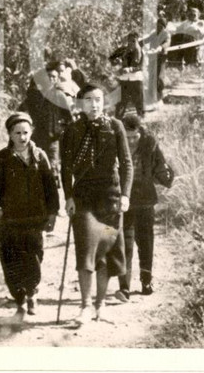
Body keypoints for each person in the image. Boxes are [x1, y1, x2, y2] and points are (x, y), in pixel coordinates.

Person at [60, 84, 134, 325]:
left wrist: (125, 195)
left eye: (99, 99)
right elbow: (65, 168)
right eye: (89, 100)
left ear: (104, 102)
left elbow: (126, 164)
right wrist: (68, 197)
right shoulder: (72, 130)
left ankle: (100, 305)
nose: (94, 104)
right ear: (81, 103)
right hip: (84, 199)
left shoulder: (115, 126)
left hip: (110, 198)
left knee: (106, 252)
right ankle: (84, 305)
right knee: (85, 251)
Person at [0, 112, 60, 324]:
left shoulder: (40, 156)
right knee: (10, 259)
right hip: (10, 220)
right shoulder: (3, 157)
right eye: (17, 133)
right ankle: (19, 301)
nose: (22, 137)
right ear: (10, 134)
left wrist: (52, 213)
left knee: (34, 257)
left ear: (31, 132)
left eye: (25, 132)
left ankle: (32, 292)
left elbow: (50, 187)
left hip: (34, 219)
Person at [116, 113, 175, 301]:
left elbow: (161, 168)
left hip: (145, 201)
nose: (131, 141)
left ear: (140, 131)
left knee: (146, 242)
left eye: (135, 136)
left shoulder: (150, 143)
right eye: (128, 137)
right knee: (125, 244)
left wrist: (166, 176)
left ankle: (146, 281)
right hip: (123, 201)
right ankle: (124, 287)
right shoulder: (115, 142)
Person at [19, 62, 73, 188]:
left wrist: (59, 129)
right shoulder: (34, 96)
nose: (52, 79)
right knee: (34, 162)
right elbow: (21, 111)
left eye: (54, 77)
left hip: (52, 139)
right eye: (49, 76)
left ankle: (52, 191)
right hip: (36, 136)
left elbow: (68, 118)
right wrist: (27, 124)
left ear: (57, 79)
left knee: (52, 166)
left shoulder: (59, 96)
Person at [109, 32, 145, 118]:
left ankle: (140, 119)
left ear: (137, 40)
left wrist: (130, 69)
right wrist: (117, 62)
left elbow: (141, 67)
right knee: (122, 101)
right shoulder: (123, 50)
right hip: (124, 79)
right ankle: (118, 119)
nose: (131, 43)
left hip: (136, 79)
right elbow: (111, 59)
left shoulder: (141, 51)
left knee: (138, 101)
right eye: (129, 41)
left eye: (133, 41)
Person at [143, 18, 172, 102]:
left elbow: (167, 42)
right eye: (157, 25)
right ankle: (151, 94)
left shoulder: (166, 34)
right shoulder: (154, 33)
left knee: (159, 75)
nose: (158, 27)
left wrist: (161, 47)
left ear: (164, 26)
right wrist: (137, 43)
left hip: (161, 57)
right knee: (151, 74)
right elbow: (147, 40)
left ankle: (159, 94)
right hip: (152, 56)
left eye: (161, 25)